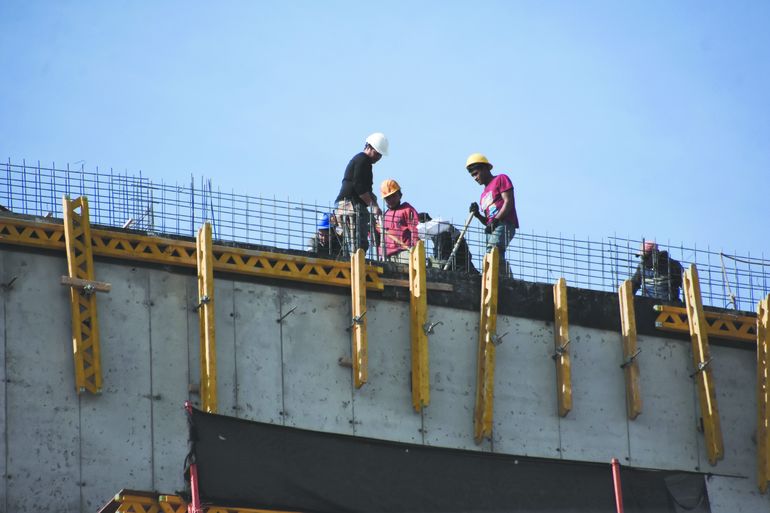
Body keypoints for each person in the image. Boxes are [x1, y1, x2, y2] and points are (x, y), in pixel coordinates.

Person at [334, 133, 389, 255]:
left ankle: (355, 260)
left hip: (352, 205)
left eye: (380, 155)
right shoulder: (362, 160)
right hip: (349, 205)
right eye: (377, 153)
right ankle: (355, 263)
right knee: (357, 243)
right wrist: (373, 206)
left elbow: (367, 189)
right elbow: (359, 187)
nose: (378, 157)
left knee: (358, 242)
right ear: (369, 147)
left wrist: (374, 203)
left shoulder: (365, 164)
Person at [466, 153, 519, 272]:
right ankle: (506, 279)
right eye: (472, 176)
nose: (475, 178)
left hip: (505, 223)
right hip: (495, 226)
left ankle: (492, 277)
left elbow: (508, 202)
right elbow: (488, 222)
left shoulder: (501, 179)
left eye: (476, 173)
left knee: (492, 250)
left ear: (485, 169)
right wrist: (477, 214)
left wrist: (496, 220)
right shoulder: (483, 196)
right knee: (495, 255)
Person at [380, 179, 419, 264]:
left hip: (404, 252)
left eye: (394, 196)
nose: (391, 199)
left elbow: (415, 230)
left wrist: (416, 250)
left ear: (400, 195)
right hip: (387, 255)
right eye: (388, 198)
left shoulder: (407, 209)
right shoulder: (384, 216)